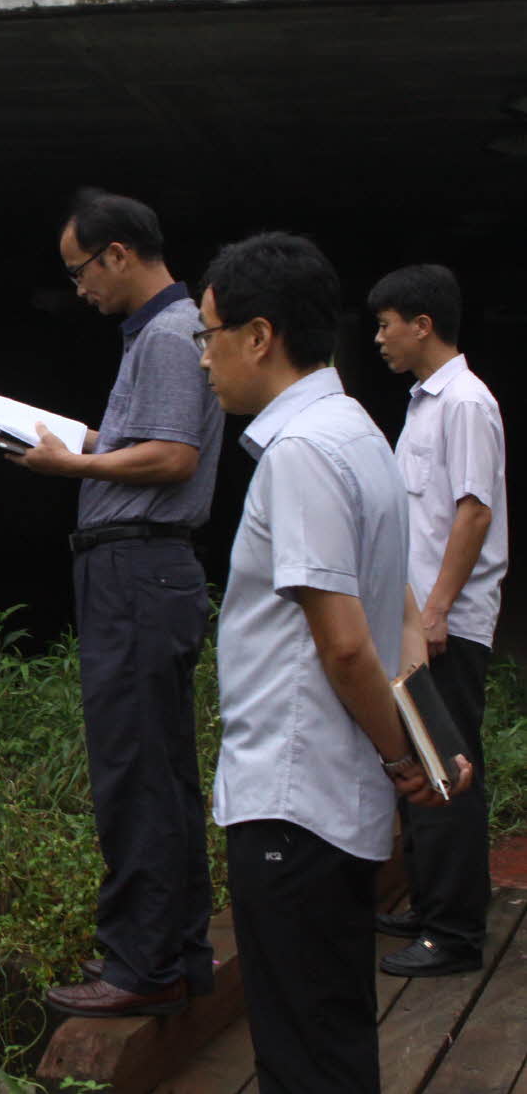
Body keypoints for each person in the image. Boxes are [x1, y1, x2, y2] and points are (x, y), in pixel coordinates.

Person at [197, 232, 469, 1091]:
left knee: (300, 1049)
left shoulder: (302, 453)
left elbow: (346, 639)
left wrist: (400, 757)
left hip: (292, 797)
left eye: (206, 335)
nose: (201, 358)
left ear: (257, 335)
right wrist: (423, 738)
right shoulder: (355, 427)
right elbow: (397, 611)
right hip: (327, 798)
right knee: (335, 1027)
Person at [12, 189, 222, 1017]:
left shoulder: (169, 335)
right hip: (140, 573)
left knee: (134, 772)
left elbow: (170, 457)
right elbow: (140, 439)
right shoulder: (165, 332)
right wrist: (80, 440)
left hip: (136, 572)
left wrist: (72, 470)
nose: (77, 289)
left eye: (78, 271)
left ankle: (135, 966)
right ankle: (176, 953)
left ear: (117, 254)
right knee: (159, 771)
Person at [367, 263, 508, 977]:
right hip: (418, 622)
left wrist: (435, 609)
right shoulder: (424, 402)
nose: (378, 338)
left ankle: (452, 934)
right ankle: (430, 905)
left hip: (441, 622)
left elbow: (473, 509)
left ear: (422, 324)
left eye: (386, 323)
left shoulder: (464, 402)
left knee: (446, 766)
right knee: (425, 758)